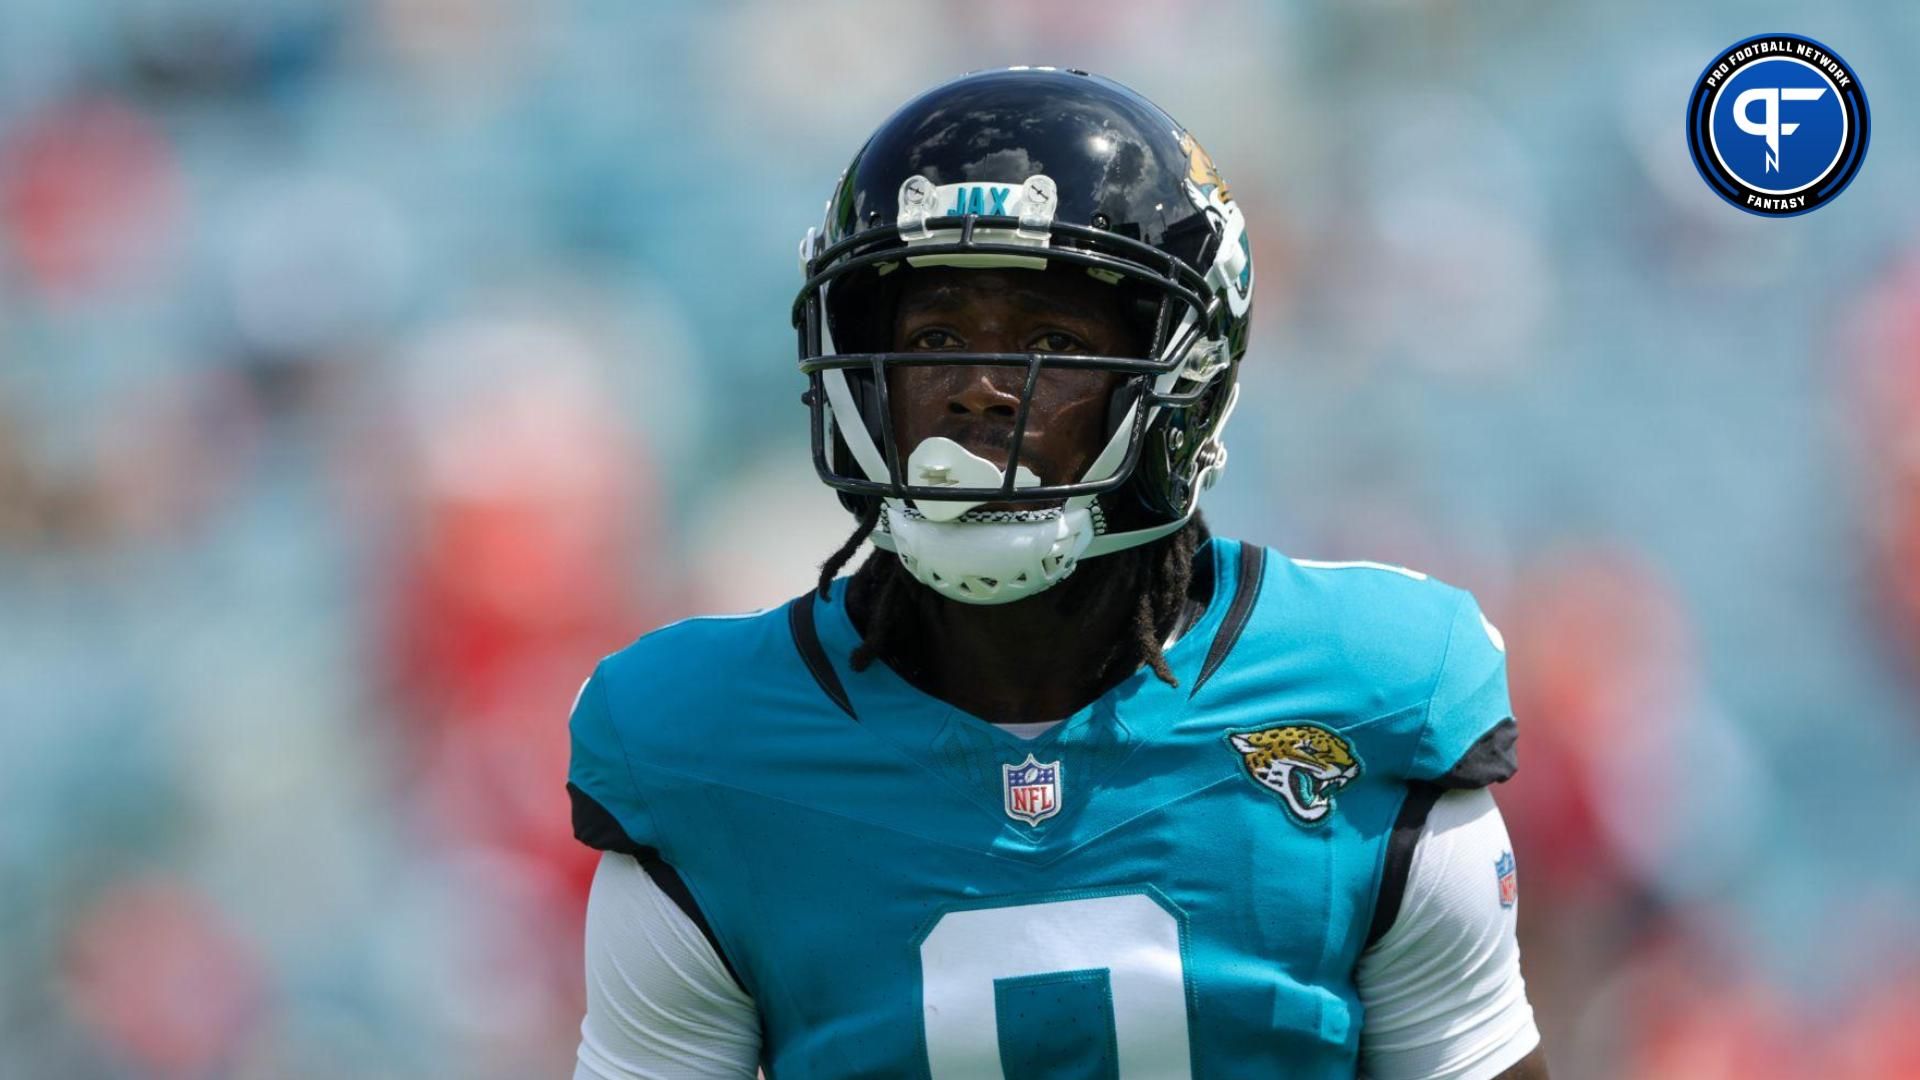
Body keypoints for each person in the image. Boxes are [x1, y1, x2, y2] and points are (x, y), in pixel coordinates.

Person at [567, 67, 1548, 1079]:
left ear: (1186, 382)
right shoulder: (708, 747)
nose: (981, 390)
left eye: (1053, 340)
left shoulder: (1368, 694)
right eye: (936, 337)